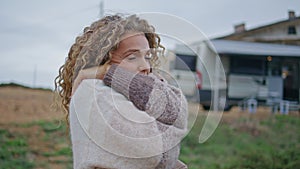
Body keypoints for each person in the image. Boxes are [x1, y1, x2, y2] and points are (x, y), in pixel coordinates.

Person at [55, 14, 188, 169]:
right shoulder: (92, 92)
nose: (146, 66)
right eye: (132, 57)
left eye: (147, 57)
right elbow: (154, 151)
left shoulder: (124, 92)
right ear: (102, 60)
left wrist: (109, 73)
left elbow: (178, 111)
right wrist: (112, 73)